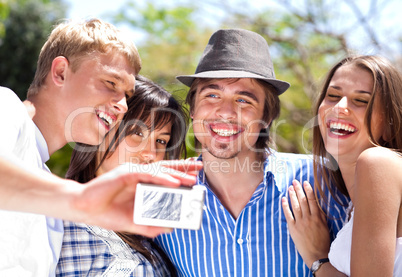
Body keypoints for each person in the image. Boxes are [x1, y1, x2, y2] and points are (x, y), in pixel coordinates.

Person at [0, 18, 201, 276]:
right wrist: (81, 200)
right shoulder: (7, 107)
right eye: (111, 83)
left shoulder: (51, 208)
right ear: (61, 72)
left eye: (127, 95)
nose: (123, 106)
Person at [155, 28, 349, 276]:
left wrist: (319, 260)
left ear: (267, 116)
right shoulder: (165, 191)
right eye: (212, 95)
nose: (225, 112)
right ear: (192, 109)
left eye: (243, 100)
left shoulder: (321, 179)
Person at [281, 55, 402, 276]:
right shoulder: (350, 204)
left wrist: (317, 259)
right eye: (333, 96)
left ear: (388, 124)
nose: (339, 107)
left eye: (362, 101)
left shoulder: (378, 162)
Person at [56, 75, 186, 276]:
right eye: (137, 132)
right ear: (101, 130)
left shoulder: (158, 226)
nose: (151, 153)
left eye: (161, 141)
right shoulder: (58, 225)